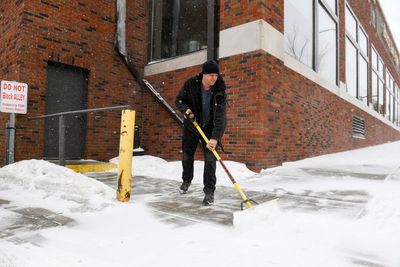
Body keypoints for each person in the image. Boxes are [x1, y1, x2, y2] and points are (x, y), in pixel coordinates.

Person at [175, 59, 227, 206]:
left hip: (210, 129)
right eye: (211, 75)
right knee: (186, 154)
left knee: (211, 160)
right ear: (204, 74)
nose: (214, 78)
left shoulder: (220, 90)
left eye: (216, 75)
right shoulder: (191, 84)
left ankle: (209, 192)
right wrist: (185, 109)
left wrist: (215, 138)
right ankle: (186, 180)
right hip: (192, 125)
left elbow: (221, 116)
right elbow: (179, 100)